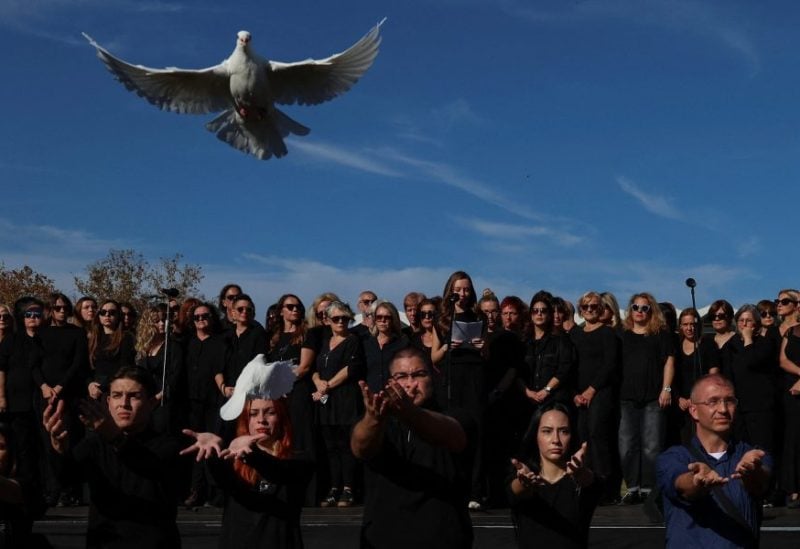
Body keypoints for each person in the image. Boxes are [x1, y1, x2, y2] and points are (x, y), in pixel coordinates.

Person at [43, 366, 182, 548]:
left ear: (151, 402)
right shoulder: (96, 443)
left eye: (134, 396)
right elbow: (67, 477)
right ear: (107, 402)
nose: (123, 403)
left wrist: (114, 436)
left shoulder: (168, 445)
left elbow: (148, 465)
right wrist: (59, 447)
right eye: (117, 395)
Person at [181, 357, 312, 549]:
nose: (261, 420)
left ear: (282, 418)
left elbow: (281, 472)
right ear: (246, 421)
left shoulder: (299, 459)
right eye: (254, 413)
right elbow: (226, 482)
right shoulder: (234, 457)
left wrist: (251, 456)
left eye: (270, 412)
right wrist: (212, 454)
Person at [351, 346, 474, 549]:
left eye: (419, 375)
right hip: (383, 539)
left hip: (442, 538)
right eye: (402, 376)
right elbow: (360, 448)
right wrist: (373, 419)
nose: (411, 384)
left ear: (433, 377)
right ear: (390, 382)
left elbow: (454, 436)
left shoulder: (455, 415)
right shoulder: (378, 421)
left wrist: (409, 412)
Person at [657, 374, 772, 548]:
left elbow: (761, 482)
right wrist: (697, 480)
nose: (723, 409)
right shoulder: (673, 457)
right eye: (713, 401)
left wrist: (752, 472)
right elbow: (682, 484)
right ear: (694, 410)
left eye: (730, 401)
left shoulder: (753, 456)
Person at [508, 403, 601, 549]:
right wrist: (524, 483)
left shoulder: (582, 483)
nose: (556, 440)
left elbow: (591, 483)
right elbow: (516, 489)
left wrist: (580, 473)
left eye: (564, 431)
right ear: (535, 435)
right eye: (547, 431)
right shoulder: (523, 476)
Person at [618, 292, 675, 504]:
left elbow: (669, 362)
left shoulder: (660, 334)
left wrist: (666, 389)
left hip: (653, 397)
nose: (640, 312)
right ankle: (632, 487)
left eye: (644, 308)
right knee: (626, 445)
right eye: (636, 307)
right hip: (626, 397)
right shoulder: (622, 334)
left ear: (651, 311)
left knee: (651, 445)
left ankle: (649, 488)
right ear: (630, 310)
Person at [311, 301, 363, 508]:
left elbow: (351, 368)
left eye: (345, 318)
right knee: (330, 447)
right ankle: (334, 487)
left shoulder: (353, 341)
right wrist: (317, 382)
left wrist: (327, 386)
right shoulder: (325, 342)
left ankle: (348, 488)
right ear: (328, 320)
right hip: (326, 402)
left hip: (345, 399)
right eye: (336, 318)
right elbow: (315, 368)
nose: (341, 322)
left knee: (345, 445)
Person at [570, 291, 620, 503]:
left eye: (594, 306)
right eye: (586, 306)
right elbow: (570, 366)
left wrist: (591, 390)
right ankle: (586, 482)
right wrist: (576, 394)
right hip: (579, 395)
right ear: (580, 310)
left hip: (601, 393)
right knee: (583, 436)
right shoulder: (576, 335)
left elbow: (610, 365)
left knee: (598, 435)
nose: (589, 310)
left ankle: (606, 488)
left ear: (601, 309)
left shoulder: (608, 334)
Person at [88, 300, 136, 399]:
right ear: (98, 315)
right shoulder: (93, 338)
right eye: (103, 312)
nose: (107, 315)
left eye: (112, 312)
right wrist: (89, 384)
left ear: (118, 316)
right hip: (92, 390)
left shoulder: (126, 338)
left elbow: (125, 367)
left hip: (114, 390)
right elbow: (85, 367)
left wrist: (103, 386)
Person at [221, 295, 267, 398]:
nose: (244, 312)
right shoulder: (225, 336)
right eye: (240, 309)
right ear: (233, 313)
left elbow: (260, 365)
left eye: (248, 309)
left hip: (249, 392)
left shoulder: (259, 334)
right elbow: (218, 366)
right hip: (226, 392)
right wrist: (223, 388)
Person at [362, 301, 409, 392]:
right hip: (371, 396)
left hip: (394, 395)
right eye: (379, 317)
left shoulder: (403, 344)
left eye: (387, 317)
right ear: (375, 319)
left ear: (393, 319)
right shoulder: (366, 343)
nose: (383, 320)